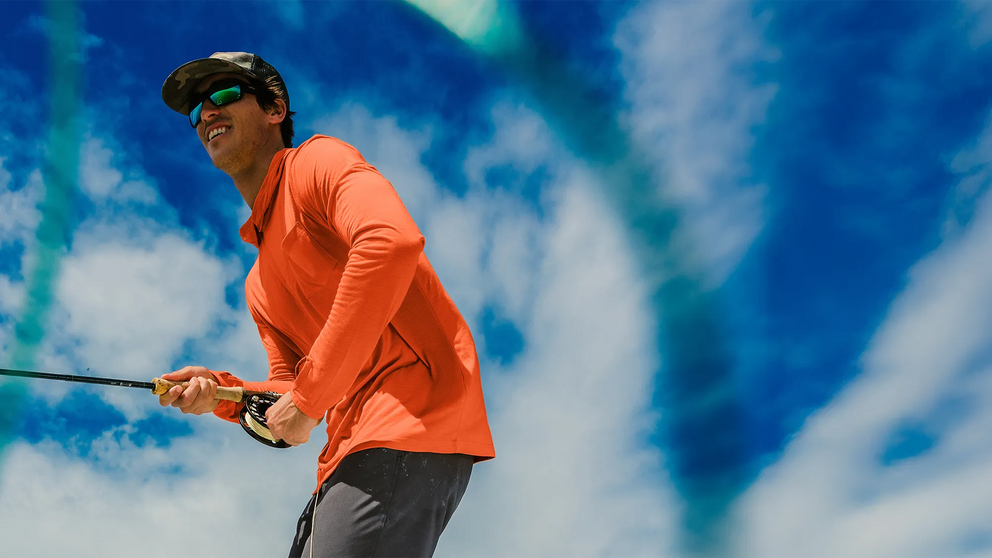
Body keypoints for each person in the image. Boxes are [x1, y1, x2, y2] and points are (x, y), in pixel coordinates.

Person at [156, 52, 495, 558]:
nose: (207, 113)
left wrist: (310, 401)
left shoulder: (317, 162)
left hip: (410, 426)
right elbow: (289, 395)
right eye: (197, 110)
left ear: (274, 109)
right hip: (347, 455)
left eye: (224, 94)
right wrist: (222, 395)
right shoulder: (258, 285)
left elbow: (388, 242)